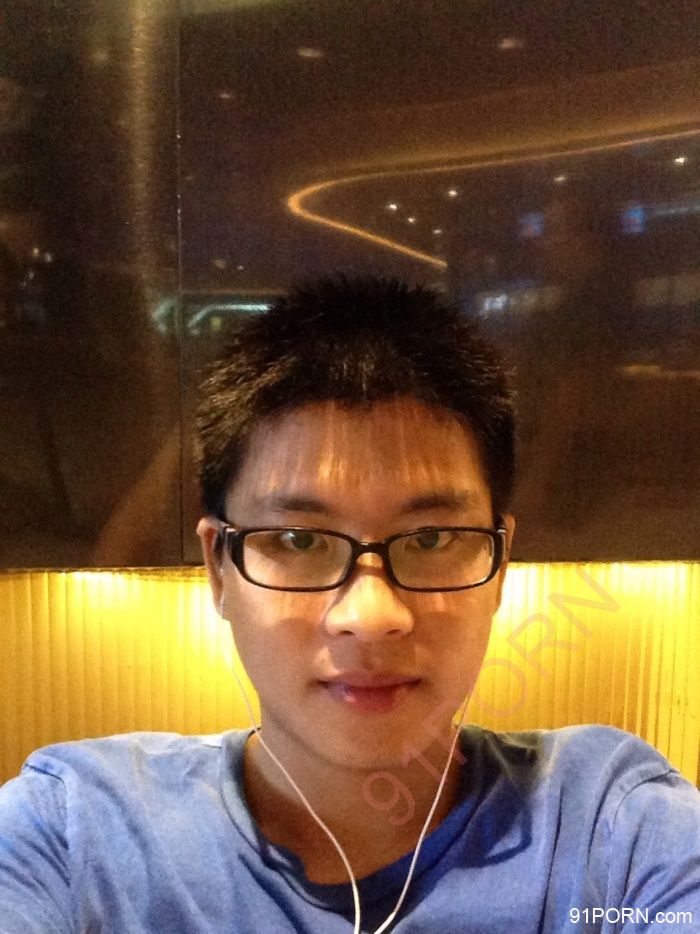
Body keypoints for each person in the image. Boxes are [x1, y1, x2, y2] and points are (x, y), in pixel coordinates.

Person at [0, 276, 698, 933]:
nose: (370, 615)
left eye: (430, 538)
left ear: (500, 565)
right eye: (300, 539)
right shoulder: (75, 832)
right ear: (218, 568)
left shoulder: (608, 826)